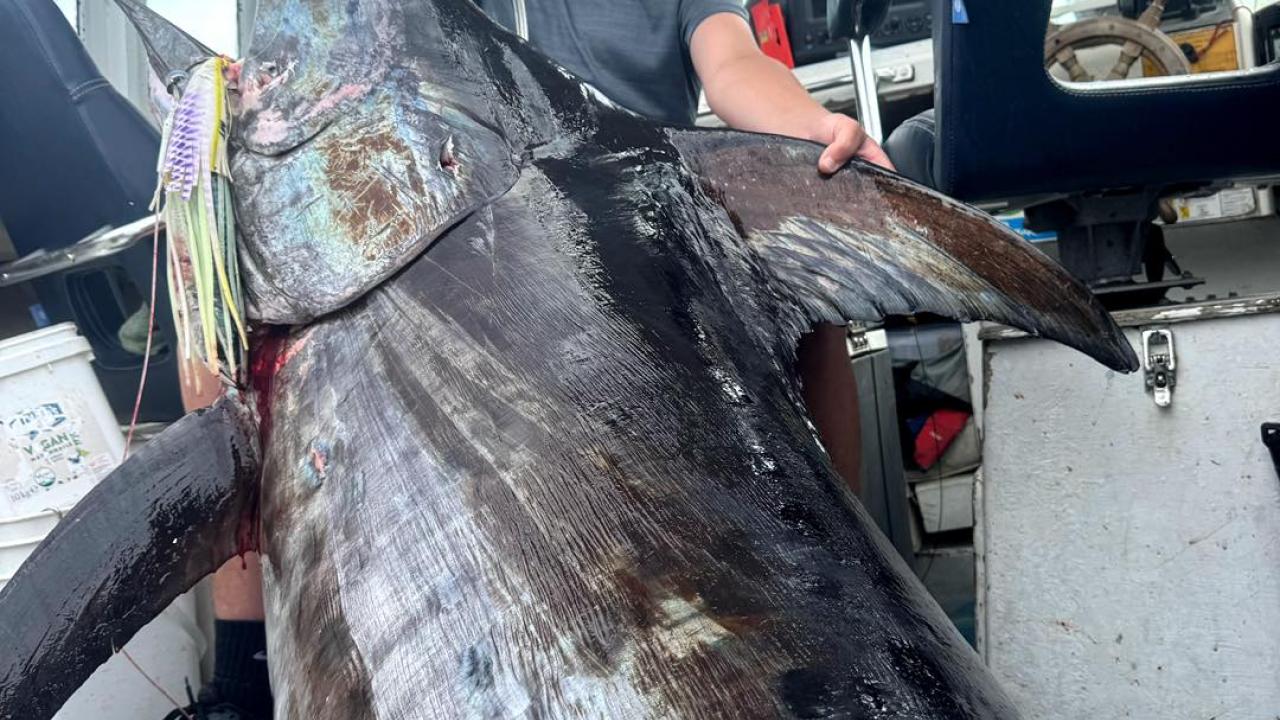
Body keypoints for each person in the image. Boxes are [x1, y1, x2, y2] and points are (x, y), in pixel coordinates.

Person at [177, 2, 892, 717]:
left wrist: (803, 126)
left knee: (806, 254)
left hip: (641, 231)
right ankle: (242, 673)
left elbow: (732, 61)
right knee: (208, 276)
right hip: (462, 230)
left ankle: (843, 588)